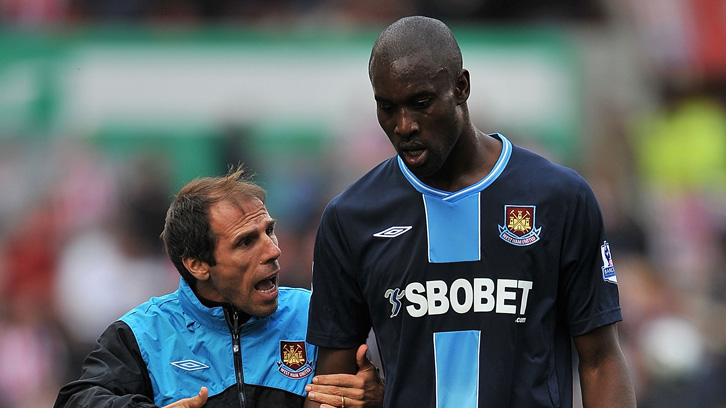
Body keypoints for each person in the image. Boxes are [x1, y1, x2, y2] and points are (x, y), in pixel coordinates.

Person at [305, 16, 637, 408]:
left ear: (461, 87)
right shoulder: (351, 218)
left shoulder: (559, 197)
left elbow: (600, 359)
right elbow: (331, 386)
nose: (404, 125)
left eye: (421, 103)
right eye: (387, 107)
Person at [54, 166, 383, 408]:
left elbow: (407, 382)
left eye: (269, 231)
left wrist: (380, 397)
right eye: (246, 242)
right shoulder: (142, 334)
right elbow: (75, 401)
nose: (273, 250)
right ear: (197, 264)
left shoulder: (315, 313)